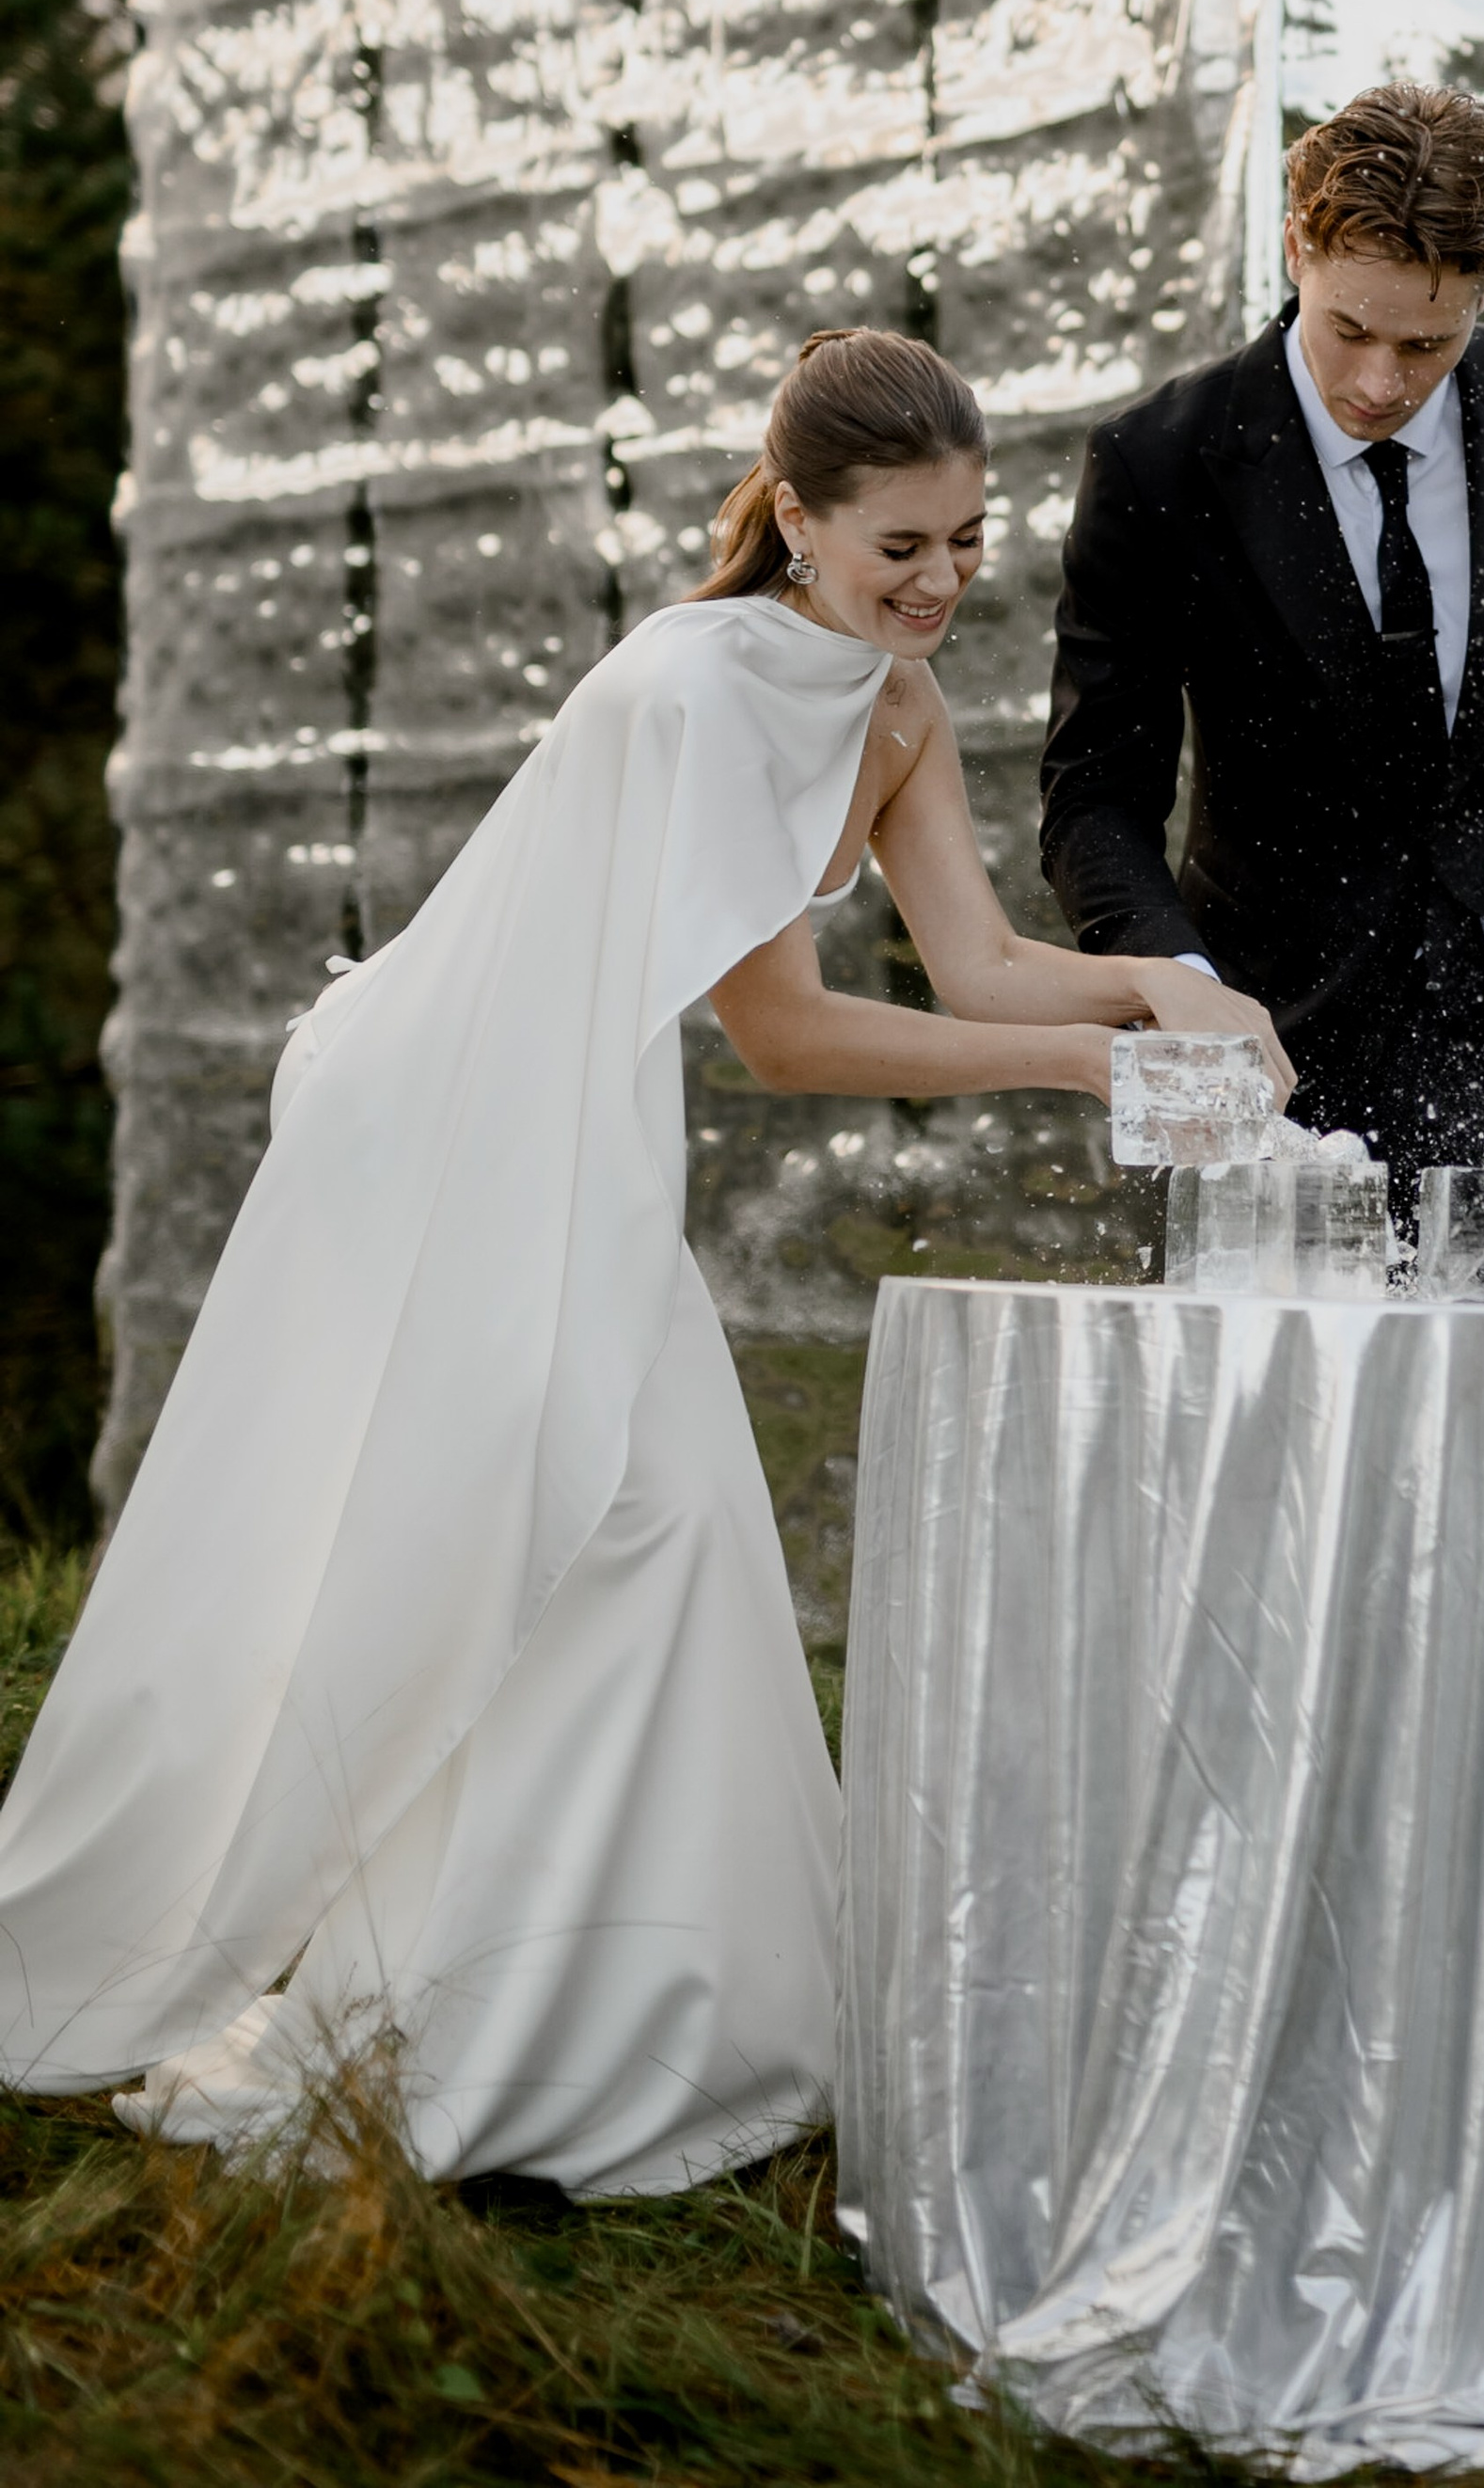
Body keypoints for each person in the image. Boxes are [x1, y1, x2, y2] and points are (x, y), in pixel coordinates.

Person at [0, 329, 1284, 2195]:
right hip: (442, 1133)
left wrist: (1164, 980)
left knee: (654, 1527)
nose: (936, 583)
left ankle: (641, 2020)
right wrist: (1100, 1064)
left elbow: (978, 966)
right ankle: (499, 2036)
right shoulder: (691, 689)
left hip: (567, 1128)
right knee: (573, 1525)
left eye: (966, 542)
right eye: (897, 547)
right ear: (798, 523)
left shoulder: (895, 704)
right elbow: (786, 1036)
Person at [1041, 83, 1484, 1288]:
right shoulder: (1159, 460)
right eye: (1350, 328)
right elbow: (1096, 794)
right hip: (1282, 1058)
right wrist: (1180, 994)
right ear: (1297, 248)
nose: (1379, 379)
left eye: (1428, 343)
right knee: (1298, 1462)